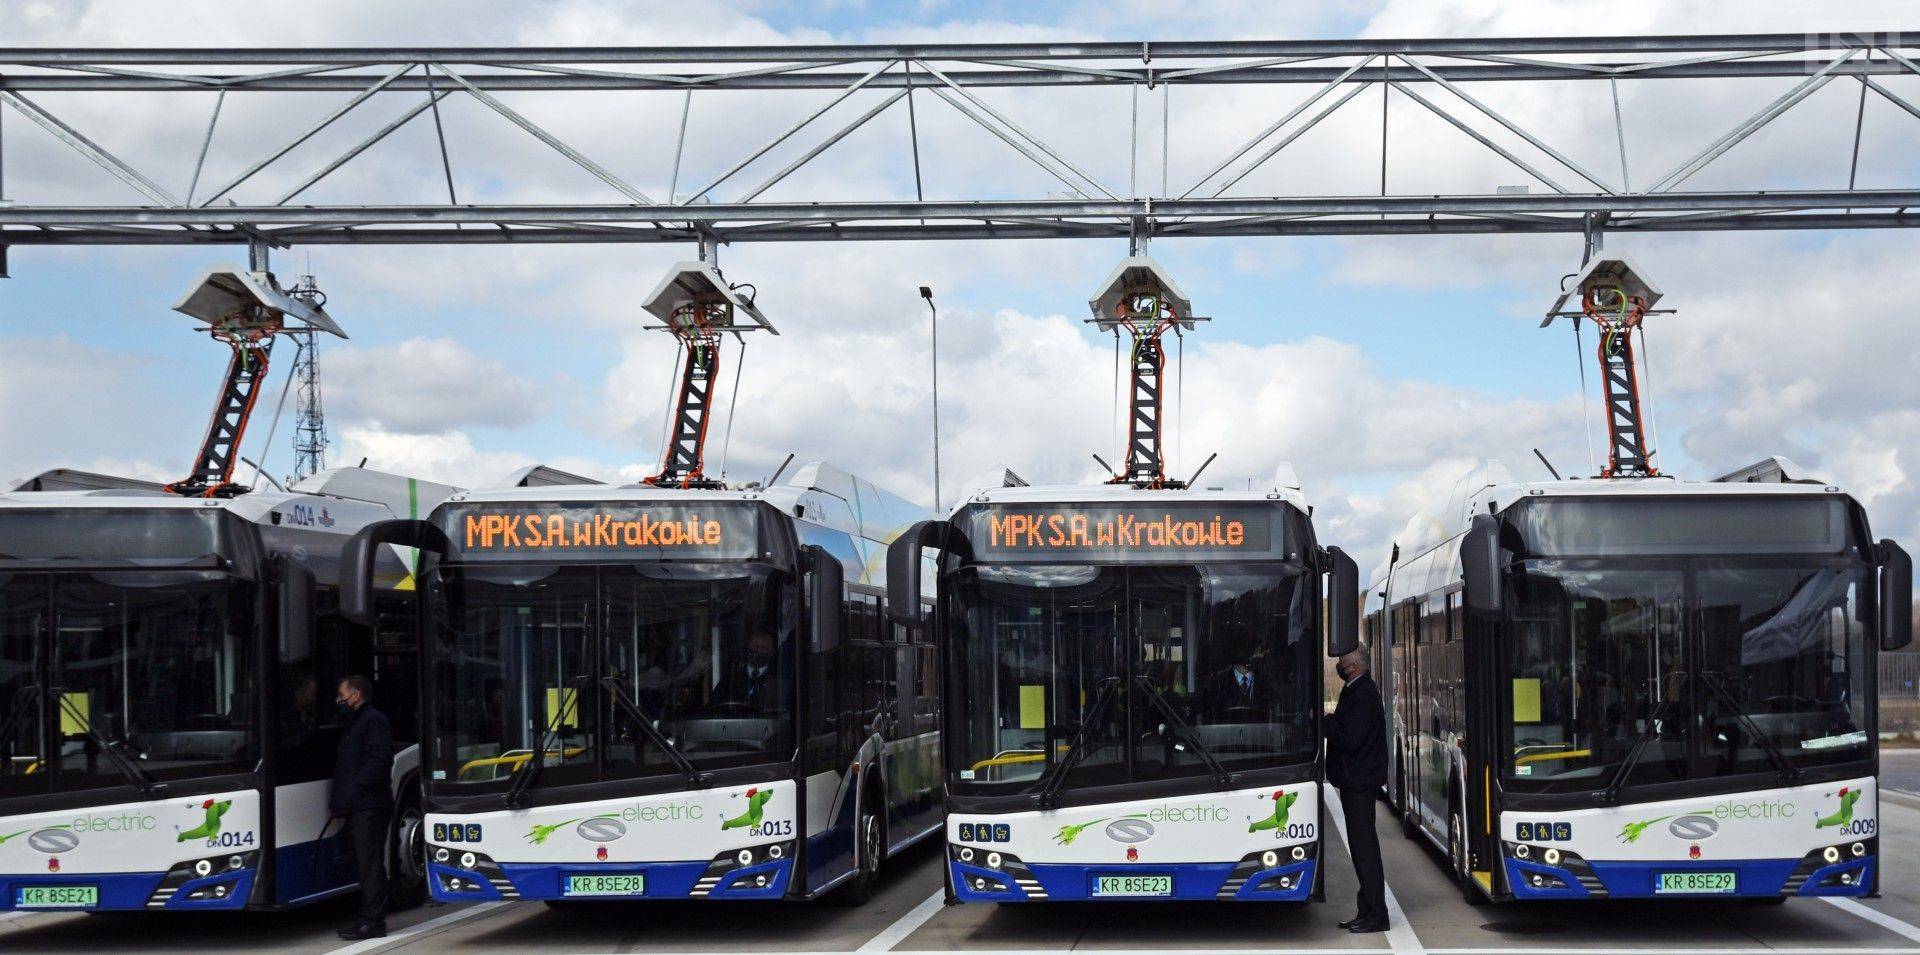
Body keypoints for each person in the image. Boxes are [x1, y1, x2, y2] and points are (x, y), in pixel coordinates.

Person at [1325, 647, 1388, 934]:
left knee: (1365, 851)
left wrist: (1323, 723)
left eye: (1341, 664)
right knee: (1361, 850)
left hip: (1359, 782)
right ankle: (1367, 911)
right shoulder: (1358, 689)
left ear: (1354, 666)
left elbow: (1350, 738)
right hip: (1356, 780)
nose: (1339, 668)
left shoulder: (1362, 694)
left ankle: (1376, 914)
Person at [331, 675, 394, 941]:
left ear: (356, 694)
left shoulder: (373, 720)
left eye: (341, 694)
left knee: (370, 865)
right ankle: (367, 917)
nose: (338, 700)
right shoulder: (356, 721)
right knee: (363, 863)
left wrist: (356, 787)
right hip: (359, 805)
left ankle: (373, 921)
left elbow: (380, 759)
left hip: (369, 806)